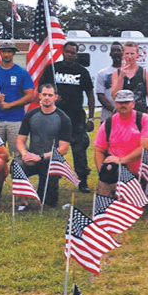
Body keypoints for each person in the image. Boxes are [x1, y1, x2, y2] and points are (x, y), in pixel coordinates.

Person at [39, 41, 95, 193]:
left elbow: (90, 94)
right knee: (55, 150)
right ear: (63, 52)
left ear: (76, 55)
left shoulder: (82, 71)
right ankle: (53, 179)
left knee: (79, 152)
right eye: (68, 52)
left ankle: (82, 180)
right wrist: (51, 98)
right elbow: (41, 88)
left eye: (73, 53)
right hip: (54, 118)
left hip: (76, 119)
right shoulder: (52, 69)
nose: (70, 55)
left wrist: (90, 118)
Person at [15, 84, 72, 209]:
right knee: (16, 165)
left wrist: (40, 157)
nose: (47, 98)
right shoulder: (31, 115)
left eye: (50, 95)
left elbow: (63, 149)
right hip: (31, 157)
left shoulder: (63, 118)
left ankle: (45, 196)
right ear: (39, 96)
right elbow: (20, 140)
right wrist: (25, 154)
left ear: (55, 97)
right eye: (44, 95)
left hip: (51, 160)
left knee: (48, 204)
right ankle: (23, 201)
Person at [93, 89, 148, 198]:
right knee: (108, 170)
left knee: (132, 207)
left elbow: (146, 148)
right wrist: (102, 172)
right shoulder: (108, 123)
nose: (123, 105)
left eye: (126, 102)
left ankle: (143, 190)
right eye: (120, 102)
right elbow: (99, 150)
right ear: (115, 104)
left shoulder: (143, 119)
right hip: (115, 167)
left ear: (133, 103)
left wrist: (122, 160)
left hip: (139, 169)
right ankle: (107, 195)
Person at [0, 44, 35, 158]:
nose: (7, 54)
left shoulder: (21, 72)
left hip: (16, 120)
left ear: (13, 53)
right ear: (0, 53)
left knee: (19, 155)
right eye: (4, 51)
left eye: (9, 52)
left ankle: (19, 176)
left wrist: (10, 105)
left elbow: (30, 95)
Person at [111, 41, 148, 122]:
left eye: (132, 53)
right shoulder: (116, 73)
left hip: (140, 115)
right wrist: (121, 77)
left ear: (137, 55)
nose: (129, 56)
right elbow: (114, 95)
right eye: (127, 53)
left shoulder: (145, 74)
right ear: (123, 55)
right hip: (121, 115)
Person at [95, 41, 123, 122]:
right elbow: (100, 95)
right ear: (110, 54)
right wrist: (114, 110)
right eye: (113, 51)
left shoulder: (129, 72)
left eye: (118, 50)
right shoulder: (102, 73)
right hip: (107, 117)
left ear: (123, 53)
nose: (116, 53)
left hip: (126, 115)